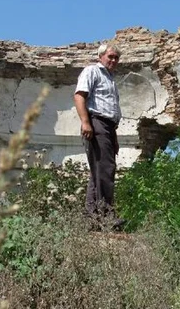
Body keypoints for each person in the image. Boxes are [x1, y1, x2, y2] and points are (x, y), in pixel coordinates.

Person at [74, 43, 125, 230]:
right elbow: (79, 96)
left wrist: (114, 137)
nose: (113, 60)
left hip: (108, 127)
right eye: (110, 56)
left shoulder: (110, 79)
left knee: (99, 171)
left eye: (116, 58)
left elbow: (111, 109)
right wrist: (86, 122)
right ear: (101, 56)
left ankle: (92, 218)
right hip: (96, 123)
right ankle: (106, 214)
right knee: (105, 169)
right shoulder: (92, 71)